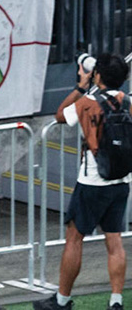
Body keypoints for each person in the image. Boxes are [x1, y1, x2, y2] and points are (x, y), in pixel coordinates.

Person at [41, 54, 132, 310]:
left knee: (74, 238)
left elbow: (60, 115)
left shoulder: (87, 103)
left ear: (97, 76)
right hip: (121, 180)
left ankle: (62, 300)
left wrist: (81, 86)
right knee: (114, 241)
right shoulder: (129, 103)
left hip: (92, 181)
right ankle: (116, 301)